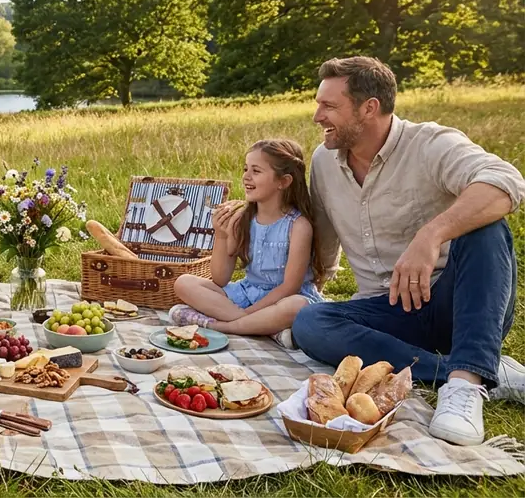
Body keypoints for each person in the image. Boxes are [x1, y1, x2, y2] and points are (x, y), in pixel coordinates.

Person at [291, 56, 525, 446]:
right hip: (386, 311)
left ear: (370, 108)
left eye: (329, 105)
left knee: (487, 228)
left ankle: (466, 387)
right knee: (310, 323)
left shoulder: (431, 144)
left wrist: (430, 235)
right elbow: (324, 242)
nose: (317, 116)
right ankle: (470, 368)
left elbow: (505, 183)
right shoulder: (324, 162)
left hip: (457, 305)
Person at [168, 139, 326, 348]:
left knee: (297, 306)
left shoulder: (298, 226)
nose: (246, 176)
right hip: (247, 293)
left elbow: (290, 287)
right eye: (245, 169)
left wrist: (248, 313)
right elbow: (220, 278)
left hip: (282, 299)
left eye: (256, 171)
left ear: (284, 181)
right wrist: (221, 235)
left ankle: (224, 326)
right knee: (184, 282)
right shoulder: (242, 218)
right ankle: (264, 328)